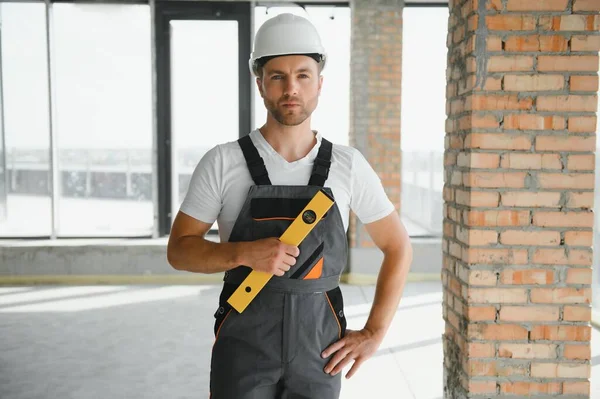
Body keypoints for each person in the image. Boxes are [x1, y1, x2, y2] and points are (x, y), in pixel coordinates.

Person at [167, 12, 413, 399]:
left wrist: (374, 333)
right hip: (244, 346)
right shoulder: (223, 162)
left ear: (319, 83)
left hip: (320, 349)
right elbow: (179, 251)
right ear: (260, 83)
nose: (290, 88)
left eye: (302, 75)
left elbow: (398, 247)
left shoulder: (348, 166)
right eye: (277, 76)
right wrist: (242, 253)